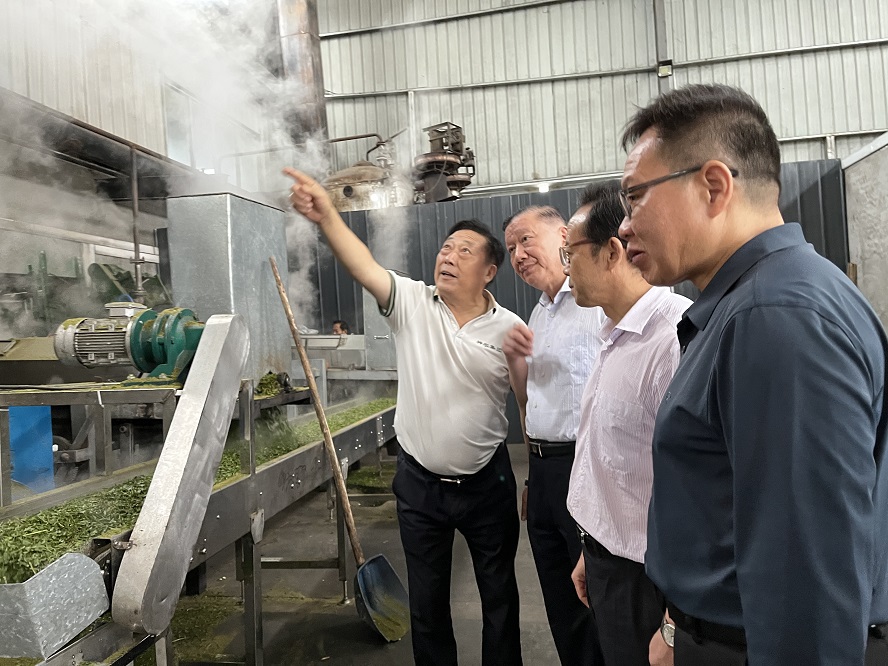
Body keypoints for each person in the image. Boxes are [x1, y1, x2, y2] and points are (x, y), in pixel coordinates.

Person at [617, 83, 888, 665]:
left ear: (713, 186)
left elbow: (807, 583)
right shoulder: (758, 302)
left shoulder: (775, 319)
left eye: (635, 197)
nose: (624, 226)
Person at [285, 167, 525, 666]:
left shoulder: (510, 328)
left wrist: (535, 472)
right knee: (428, 605)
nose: (448, 256)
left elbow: (526, 401)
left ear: (489, 271)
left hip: (488, 483)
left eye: (464, 251)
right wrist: (327, 216)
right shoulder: (413, 303)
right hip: (420, 486)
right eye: (446, 248)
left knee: (500, 597)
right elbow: (364, 266)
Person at [556, 181, 689, 665]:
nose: (565, 269)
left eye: (570, 254)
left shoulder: (671, 340)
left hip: (650, 584)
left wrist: (675, 622)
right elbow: (618, 461)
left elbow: (702, 491)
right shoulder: (614, 332)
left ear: (612, 251)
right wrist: (593, 546)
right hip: (608, 561)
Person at [502, 206, 605, 665]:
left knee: (597, 597)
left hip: (585, 466)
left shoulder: (595, 303)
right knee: (561, 603)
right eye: (510, 249)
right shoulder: (540, 313)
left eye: (526, 240)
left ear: (564, 235)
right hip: (544, 474)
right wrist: (532, 475)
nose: (518, 255)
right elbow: (533, 405)